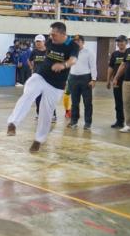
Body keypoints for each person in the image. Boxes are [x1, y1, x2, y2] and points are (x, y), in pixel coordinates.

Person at [7, 22, 79, 153]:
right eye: (50, 34)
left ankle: (38, 140)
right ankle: (13, 123)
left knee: (46, 112)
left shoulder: (72, 45)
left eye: (54, 34)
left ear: (63, 34)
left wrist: (63, 65)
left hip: (57, 85)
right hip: (41, 75)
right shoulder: (50, 42)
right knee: (28, 92)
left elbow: (73, 60)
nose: (51, 36)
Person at [67, 35, 97, 130]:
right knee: (74, 102)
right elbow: (67, 66)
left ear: (83, 42)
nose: (76, 42)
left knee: (87, 102)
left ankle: (88, 123)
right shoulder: (70, 52)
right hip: (73, 78)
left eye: (78, 41)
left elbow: (93, 66)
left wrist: (93, 79)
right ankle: (73, 121)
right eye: (74, 41)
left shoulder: (89, 52)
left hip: (85, 79)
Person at [28, 34, 55, 122]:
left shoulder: (49, 51)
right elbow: (29, 60)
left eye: (39, 41)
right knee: (38, 97)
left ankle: (53, 115)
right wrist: (32, 67)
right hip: (37, 78)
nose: (38, 43)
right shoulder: (34, 52)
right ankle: (39, 113)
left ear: (44, 42)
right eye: (36, 42)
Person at [107, 35, 128, 128]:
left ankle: (129, 122)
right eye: (118, 42)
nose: (120, 43)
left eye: (122, 41)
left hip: (128, 81)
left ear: (126, 42)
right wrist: (108, 80)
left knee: (128, 102)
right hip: (117, 82)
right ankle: (119, 121)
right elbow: (111, 67)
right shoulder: (115, 54)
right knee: (118, 102)